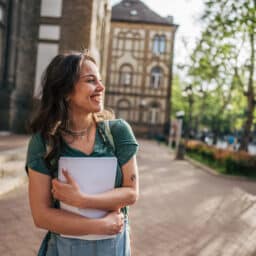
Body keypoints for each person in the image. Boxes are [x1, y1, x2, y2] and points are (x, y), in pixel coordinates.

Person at [26, 51, 139, 256]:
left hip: (114, 248)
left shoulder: (118, 132)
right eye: (90, 80)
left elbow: (131, 192)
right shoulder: (43, 142)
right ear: (66, 91)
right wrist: (99, 226)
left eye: (100, 80)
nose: (101, 87)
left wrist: (83, 200)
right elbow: (41, 216)